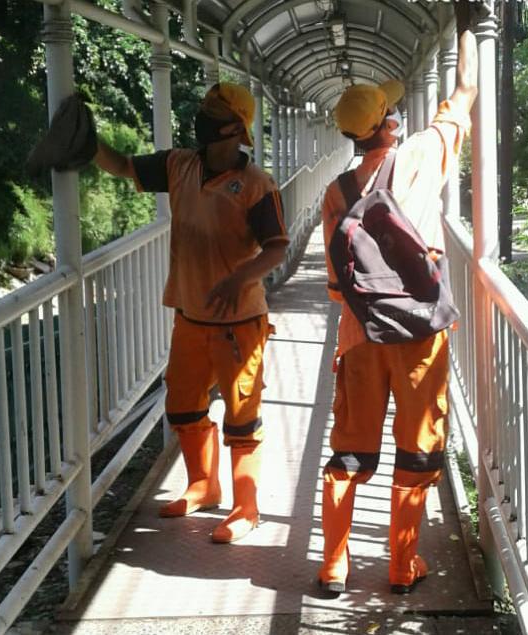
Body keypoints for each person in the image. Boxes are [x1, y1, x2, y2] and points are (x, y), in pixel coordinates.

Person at [317, 8, 479, 595]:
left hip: (360, 335)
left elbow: (338, 282)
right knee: (418, 447)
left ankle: (333, 563)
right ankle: (401, 564)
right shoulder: (420, 154)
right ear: (387, 124)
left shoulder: (336, 193)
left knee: (351, 447)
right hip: (418, 334)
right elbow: (465, 90)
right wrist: (468, 23)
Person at [95, 82, 288, 543]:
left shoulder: (257, 185)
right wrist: (88, 142)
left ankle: (246, 507)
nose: (200, 117)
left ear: (234, 128)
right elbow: (121, 166)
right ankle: (203, 484)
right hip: (191, 317)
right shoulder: (179, 164)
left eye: (211, 112)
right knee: (182, 405)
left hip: (240, 321)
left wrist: (239, 277)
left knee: (242, 416)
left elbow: (277, 248)